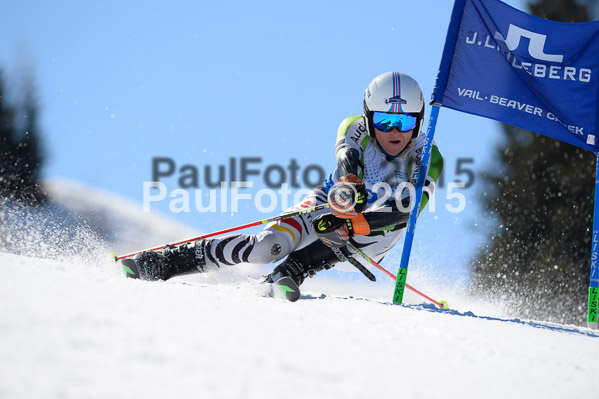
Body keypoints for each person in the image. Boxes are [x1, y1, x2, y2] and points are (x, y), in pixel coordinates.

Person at [131, 72, 443, 290]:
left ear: (417, 121)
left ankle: (299, 266)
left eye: (404, 122)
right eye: (384, 120)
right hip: (329, 204)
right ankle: (170, 261)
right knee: (267, 248)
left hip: (374, 236)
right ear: (368, 116)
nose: (394, 131)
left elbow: (405, 210)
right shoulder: (355, 128)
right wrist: (348, 187)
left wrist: (351, 224)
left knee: (379, 223)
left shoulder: (428, 155)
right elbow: (348, 160)